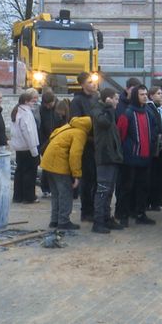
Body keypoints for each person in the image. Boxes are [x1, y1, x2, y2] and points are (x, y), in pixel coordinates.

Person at [116, 85, 158, 227]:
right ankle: (123, 215)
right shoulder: (127, 114)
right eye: (141, 94)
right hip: (130, 158)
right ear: (135, 96)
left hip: (145, 158)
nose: (145, 96)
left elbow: (154, 131)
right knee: (126, 188)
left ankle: (140, 214)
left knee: (143, 188)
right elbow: (120, 135)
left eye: (146, 94)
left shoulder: (149, 113)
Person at [41, 116, 91, 230]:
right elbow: (75, 155)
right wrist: (76, 174)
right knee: (65, 193)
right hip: (59, 164)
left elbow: (52, 135)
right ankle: (63, 221)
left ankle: (54, 220)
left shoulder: (68, 126)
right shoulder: (80, 133)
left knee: (56, 194)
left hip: (48, 162)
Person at [92, 88, 125, 233]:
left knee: (109, 190)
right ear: (108, 99)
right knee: (103, 190)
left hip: (112, 157)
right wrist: (109, 108)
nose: (118, 102)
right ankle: (98, 221)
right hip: (104, 156)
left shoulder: (107, 111)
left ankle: (106, 218)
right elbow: (103, 123)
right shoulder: (99, 110)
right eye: (116, 99)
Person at [69, 72, 99, 222]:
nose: (93, 84)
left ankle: (94, 208)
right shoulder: (77, 101)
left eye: (93, 82)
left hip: (97, 144)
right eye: (89, 82)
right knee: (87, 179)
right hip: (86, 144)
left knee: (96, 179)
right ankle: (86, 211)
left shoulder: (96, 98)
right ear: (82, 84)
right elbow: (76, 123)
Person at [10, 89, 41, 204]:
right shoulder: (26, 113)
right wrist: (34, 150)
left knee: (20, 171)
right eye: (31, 101)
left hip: (19, 147)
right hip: (27, 147)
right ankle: (29, 196)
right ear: (26, 101)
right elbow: (29, 132)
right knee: (30, 172)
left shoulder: (17, 111)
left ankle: (18, 196)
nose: (33, 103)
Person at [147, 86, 162, 211]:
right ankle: (151, 200)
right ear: (151, 96)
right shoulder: (149, 109)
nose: (161, 96)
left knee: (161, 173)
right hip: (155, 146)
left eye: (161, 93)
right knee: (153, 174)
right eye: (158, 93)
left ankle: (157, 201)